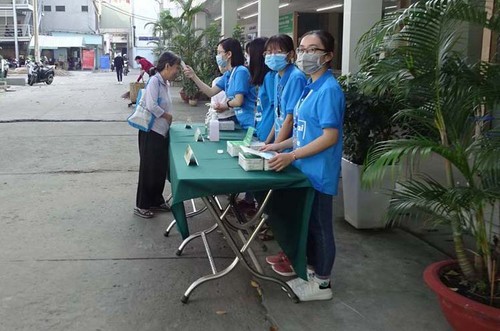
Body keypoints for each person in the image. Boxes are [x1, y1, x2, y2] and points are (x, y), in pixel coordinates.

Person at [262, 30, 345, 302]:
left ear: (328, 56)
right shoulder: (310, 87)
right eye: (302, 49)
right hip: (304, 171)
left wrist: (293, 156)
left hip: (319, 172)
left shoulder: (329, 90)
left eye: (313, 49)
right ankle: (311, 273)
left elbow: (329, 137)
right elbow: (302, 132)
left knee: (321, 227)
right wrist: (275, 147)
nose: (305, 54)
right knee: (309, 225)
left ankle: (323, 283)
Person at [134, 51, 181, 219]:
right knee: (148, 169)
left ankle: (156, 200)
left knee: (159, 168)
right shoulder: (154, 81)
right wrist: (167, 116)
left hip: (161, 132)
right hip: (151, 132)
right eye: (176, 67)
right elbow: (151, 105)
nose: (177, 71)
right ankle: (142, 205)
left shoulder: (164, 83)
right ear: (167, 66)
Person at [183, 38, 256, 129]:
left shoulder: (241, 71)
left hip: (250, 122)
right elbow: (210, 92)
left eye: (219, 52)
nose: (217, 56)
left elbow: (238, 101)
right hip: (242, 122)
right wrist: (193, 76)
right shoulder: (228, 74)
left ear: (229, 54)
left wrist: (225, 105)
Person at [264, 34, 307, 144]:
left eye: (278, 52)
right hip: (280, 146)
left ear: (291, 54)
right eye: (269, 53)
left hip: (290, 146)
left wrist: (275, 147)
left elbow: (290, 119)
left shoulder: (296, 77)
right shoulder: (277, 77)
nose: (272, 56)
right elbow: (278, 116)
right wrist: (267, 143)